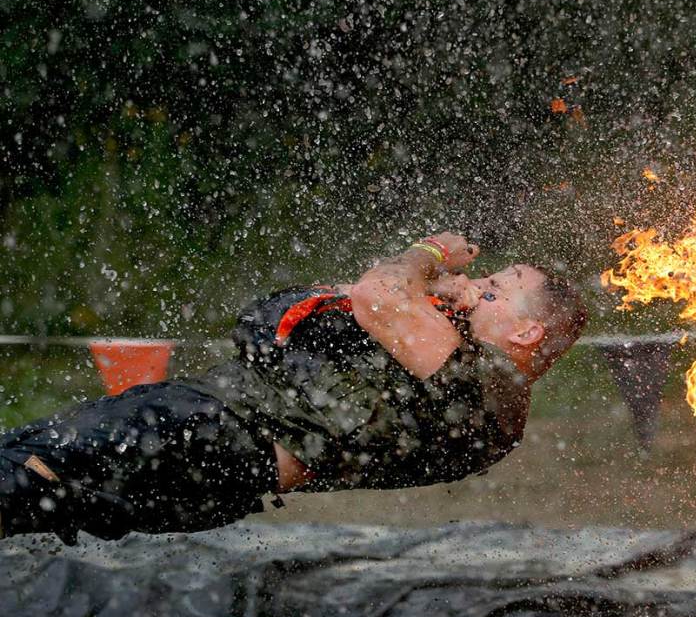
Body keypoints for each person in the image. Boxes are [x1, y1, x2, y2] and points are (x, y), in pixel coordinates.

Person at [0, 233, 588, 544]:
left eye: (499, 286)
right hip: (222, 471)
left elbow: (376, 295)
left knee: (21, 473)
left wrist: (429, 253)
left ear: (526, 331)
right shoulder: (475, 392)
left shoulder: (489, 384)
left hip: (203, 435)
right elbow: (330, 311)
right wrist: (432, 293)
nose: (478, 282)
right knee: (25, 493)